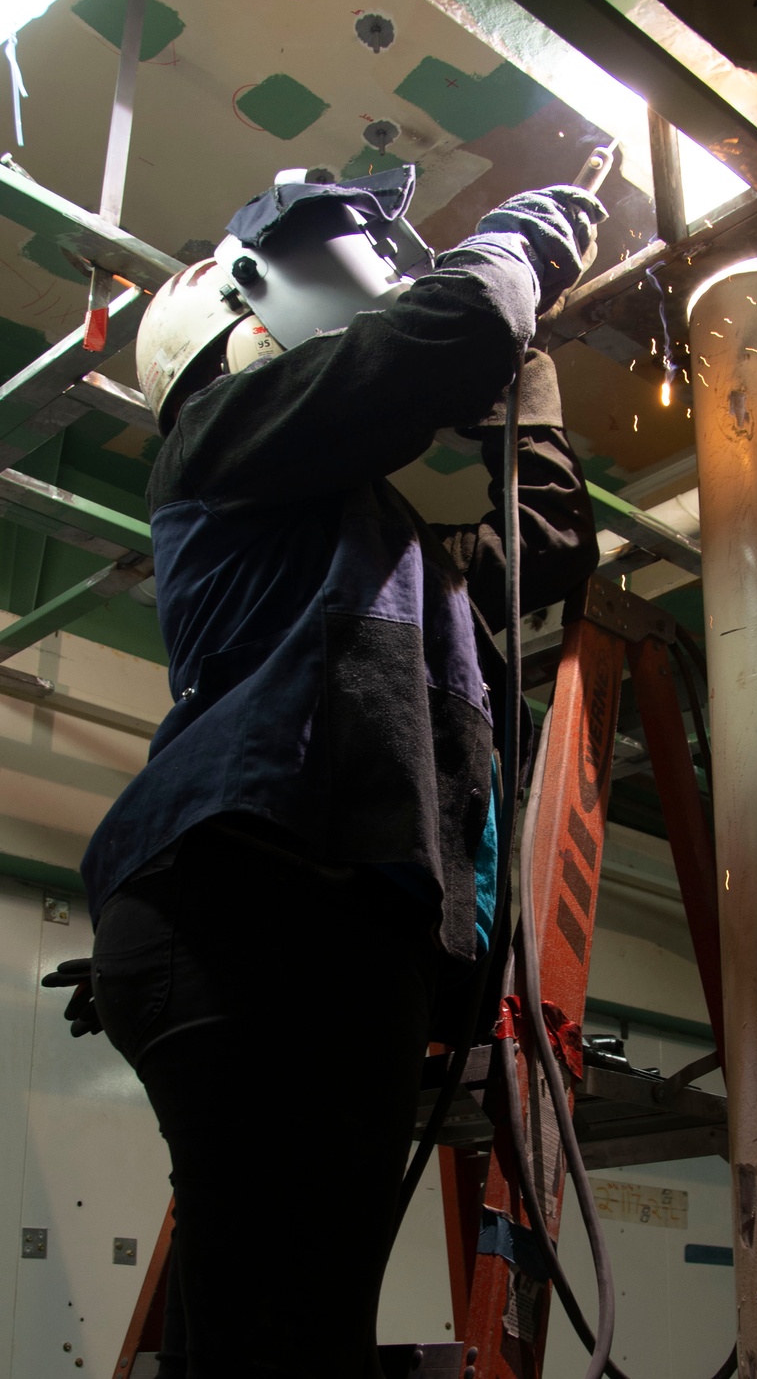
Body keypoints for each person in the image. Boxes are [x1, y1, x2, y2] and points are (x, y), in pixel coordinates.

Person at [56, 172, 605, 1378]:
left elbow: (552, 546)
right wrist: (528, 234)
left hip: (314, 926)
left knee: (264, 1323)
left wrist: (527, 373)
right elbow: (441, 336)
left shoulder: (392, 541)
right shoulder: (219, 440)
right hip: (258, 909)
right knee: (289, 1332)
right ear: (240, 325)